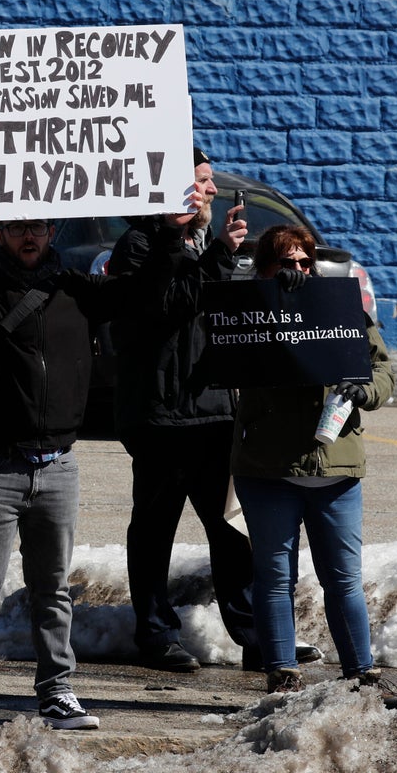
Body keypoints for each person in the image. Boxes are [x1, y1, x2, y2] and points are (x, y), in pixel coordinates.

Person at [0, 154, 202, 729]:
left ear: (52, 230)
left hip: (59, 465)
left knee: (53, 590)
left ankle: (57, 691)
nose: (29, 236)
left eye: (39, 226)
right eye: (17, 226)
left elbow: (142, 290)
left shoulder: (76, 289)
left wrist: (169, 230)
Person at [109, 146, 276, 672]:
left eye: (207, 183)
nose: (207, 191)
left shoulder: (209, 244)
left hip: (215, 411)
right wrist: (212, 257)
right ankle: (156, 634)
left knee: (231, 530)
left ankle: (253, 635)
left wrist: (226, 256)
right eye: (198, 182)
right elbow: (170, 308)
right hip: (162, 414)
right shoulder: (139, 245)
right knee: (155, 527)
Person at [230, 225, 397, 708]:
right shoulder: (250, 312)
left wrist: (365, 391)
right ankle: (282, 675)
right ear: (266, 270)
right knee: (273, 576)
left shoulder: (343, 308)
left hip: (336, 466)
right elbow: (224, 352)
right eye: (285, 264)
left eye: (304, 262)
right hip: (269, 468)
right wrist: (270, 306)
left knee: (344, 578)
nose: (297, 271)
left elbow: (383, 370)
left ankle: (361, 674)